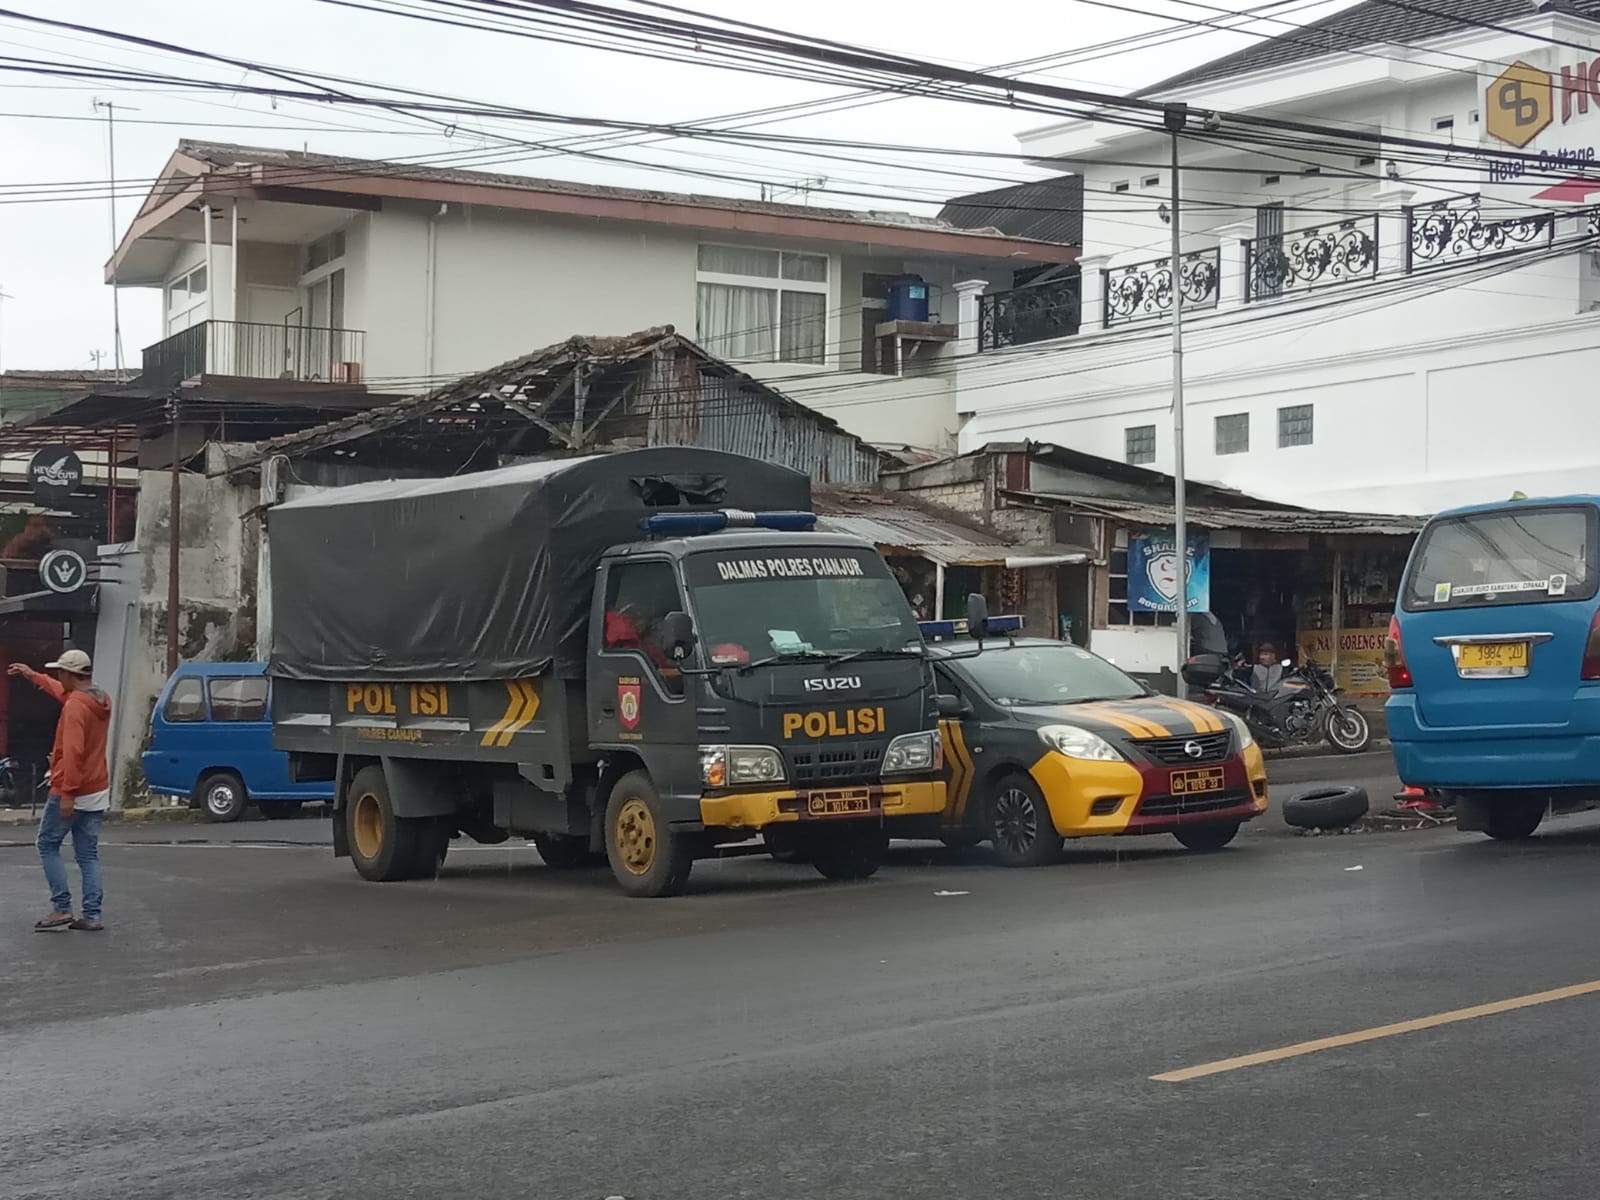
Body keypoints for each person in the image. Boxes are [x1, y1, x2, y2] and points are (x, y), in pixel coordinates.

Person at [11, 650, 112, 932]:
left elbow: (73, 752)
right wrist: (35, 677)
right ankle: (92, 915)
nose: (58, 676)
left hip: (72, 789)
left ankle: (61, 908)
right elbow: (62, 692)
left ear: (70, 674)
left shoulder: (75, 708)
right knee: (88, 855)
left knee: (46, 844)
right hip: (97, 788)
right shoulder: (100, 698)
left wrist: (67, 793)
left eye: (60, 672)